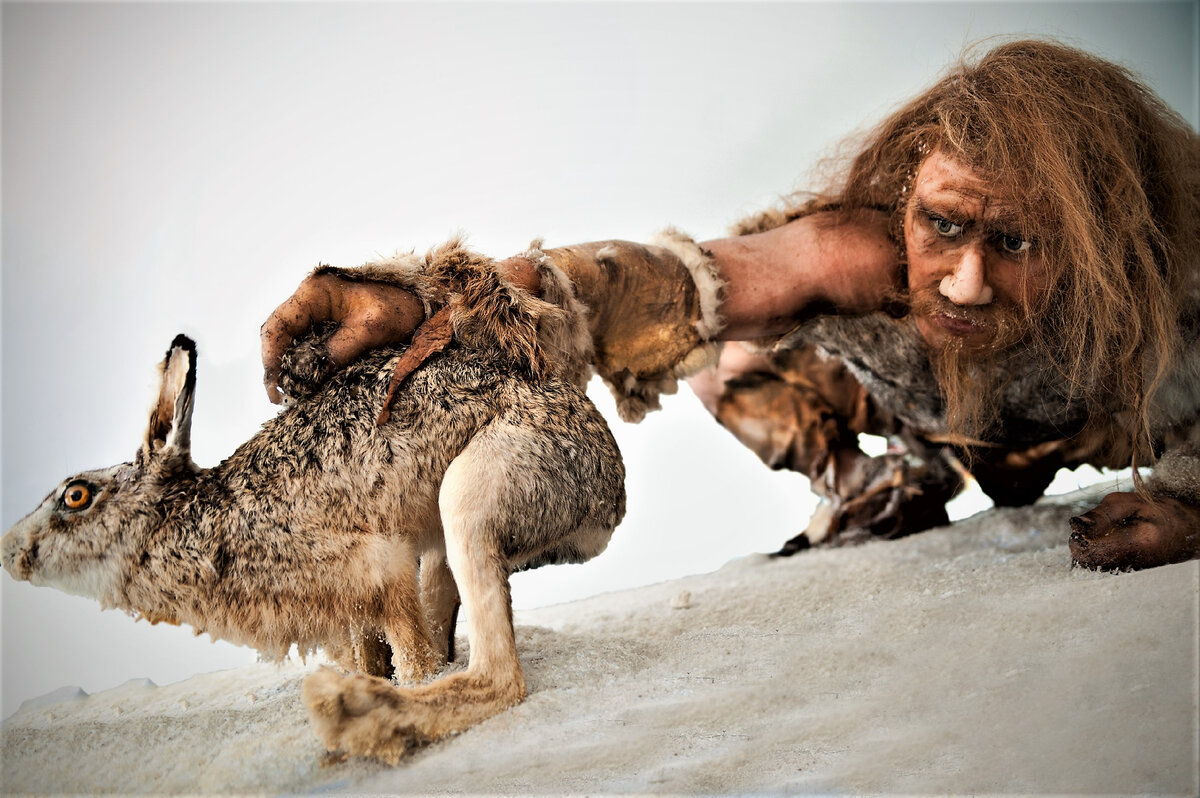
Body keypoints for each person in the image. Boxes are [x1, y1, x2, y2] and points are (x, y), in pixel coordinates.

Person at [261, 39, 1200, 571]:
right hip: (926, 418)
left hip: (1095, 430)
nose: (963, 282)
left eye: (1018, 243)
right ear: (909, 198)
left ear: (1095, 244)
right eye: (944, 226)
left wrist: (1190, 504)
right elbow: (649, 283)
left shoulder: (1154, 307)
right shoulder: (858, 253)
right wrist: (427, 299)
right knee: (717, 354)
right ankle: (873, 484)